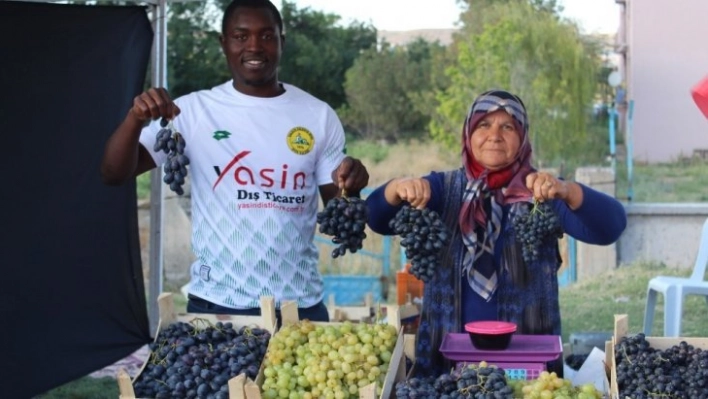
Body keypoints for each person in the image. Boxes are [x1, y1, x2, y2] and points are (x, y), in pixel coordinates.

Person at [100, 0, 369, 322]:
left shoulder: (317, 115)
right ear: (223, 43)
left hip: (300, 308)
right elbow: (113, 173)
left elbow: (339, 215)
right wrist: (134, 118)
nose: (254, 46)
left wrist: (352, 189)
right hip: (217, 305)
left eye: (266, 36)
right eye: (241, 36)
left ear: (282, 42)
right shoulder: (193, 111)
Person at [365, 89, 627, 375]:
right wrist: (395, 188)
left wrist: (569, 191)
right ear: (468, 133)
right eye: (484, 125)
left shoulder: (542, 192)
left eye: (508, 126)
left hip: (527, 369)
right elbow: (376, 218)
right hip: (445, 364)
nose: (495, 135)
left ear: (523, 136)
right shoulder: (440, 188)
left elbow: (610, 227)